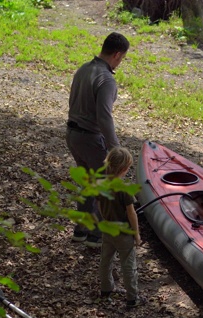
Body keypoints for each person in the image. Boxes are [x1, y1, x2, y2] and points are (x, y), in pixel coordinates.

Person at [66, 32, 130, 247]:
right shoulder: (106, 79)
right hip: (91, 138)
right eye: (122, 58)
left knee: (88, 185)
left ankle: (81, 230)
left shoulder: (84, 69)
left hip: (73, 135)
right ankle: (95, 236)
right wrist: (115, 150)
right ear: (118, 55)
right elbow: (104, 117)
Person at [93, 147, 145, 308]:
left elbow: (100, 206)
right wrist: (136, 235)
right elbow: (132, 214)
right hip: (123, 234)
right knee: (128, 265)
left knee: (106, 260)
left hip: (108, 230)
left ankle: (106, 288)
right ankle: (132, 298)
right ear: (124, 169)